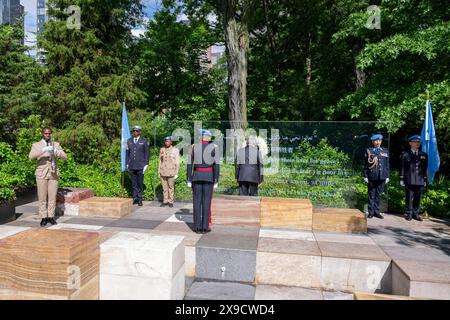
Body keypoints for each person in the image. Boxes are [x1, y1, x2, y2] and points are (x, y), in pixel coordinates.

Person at [29, 127, 67, 227]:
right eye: (46, 133)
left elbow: (65, 157)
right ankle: (43, 217)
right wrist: (43, 150)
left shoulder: (56, 144)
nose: (48, 135)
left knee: (52, 197)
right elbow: (31, 156)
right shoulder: (36, 145)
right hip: (41, 173)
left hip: (53, 173)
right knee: (42, 197)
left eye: (49, 133)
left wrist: (57, 152)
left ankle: (51, 216)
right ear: (42, 134)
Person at [187, 129, 220, 234]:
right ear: (208, 138)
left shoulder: (193, 147)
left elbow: (189, 164)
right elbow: (217, 166)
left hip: (196, 176)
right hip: (209, 177)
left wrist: (189, 178)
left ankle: (196, 227)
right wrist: (216, 180)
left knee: (197, 202)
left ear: (200, 137)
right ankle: (205, 227)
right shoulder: (214, 148)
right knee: (206, 202)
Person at [400, 135, 428, 221]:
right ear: (410, 143)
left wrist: (425, 179)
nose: (417, 143)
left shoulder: (423, 155)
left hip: (419, 180)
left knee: (418, 197)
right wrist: (401, 178)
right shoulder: (405, 154)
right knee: (409, 197)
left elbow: (425, 168)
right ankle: (409, 213)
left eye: (418, 142)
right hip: (409, 179)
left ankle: (416, 213)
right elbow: (402, 167)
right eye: (415, 142)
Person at [363, 134, 390, 219]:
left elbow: (387, 165)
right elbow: (365, 164)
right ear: (373, 142)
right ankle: (371, 212)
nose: (377, 142)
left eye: (379, 141)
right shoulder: (369, 151)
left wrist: (387, 176)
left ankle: (377, 212)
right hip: (372, 176)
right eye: (376, 141)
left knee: (379, 195)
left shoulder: (385, 151)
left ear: (381, 141)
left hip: (382, 176)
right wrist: (365, 175)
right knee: (371, 194)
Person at [126, 125, 150, 207]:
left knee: (140, 183)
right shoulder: (129, 141)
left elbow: (147, 154)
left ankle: (140, 199)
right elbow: (127, 153)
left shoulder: (144, 141)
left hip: (140, 166)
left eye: (136, 131)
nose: (135, 132)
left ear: (140, 132)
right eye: (134, 131)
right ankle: (135, 198)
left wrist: (146, 164)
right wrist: (127, 163)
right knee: (134, 184)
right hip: (132, 165)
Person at [158, 136, 180, 207]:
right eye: (166, 141)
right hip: (163, 171)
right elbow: (160, 161)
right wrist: (159, 171)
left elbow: (177, 162)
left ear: (171, 142)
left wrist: (176, 172)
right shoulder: (162, 149)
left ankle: (171, 201)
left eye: (168, 141)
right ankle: (165, 200)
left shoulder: (175, 150)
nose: (167, 142)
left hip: (171, 171)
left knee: (171, 187)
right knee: (164, 187)